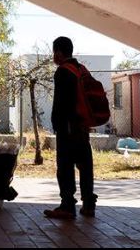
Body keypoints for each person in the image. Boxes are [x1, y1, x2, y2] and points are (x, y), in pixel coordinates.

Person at [44, 36, 97, 220]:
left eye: (54, 52)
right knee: (85, 165)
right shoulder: (81, 69)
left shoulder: (63, 71)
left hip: (68, 127)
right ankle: (89, 204)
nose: (53, 56)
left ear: (58, 52)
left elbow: (61, 103)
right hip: (82, 126)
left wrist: (56, 124)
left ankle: (67, 205)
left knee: (65, 167)